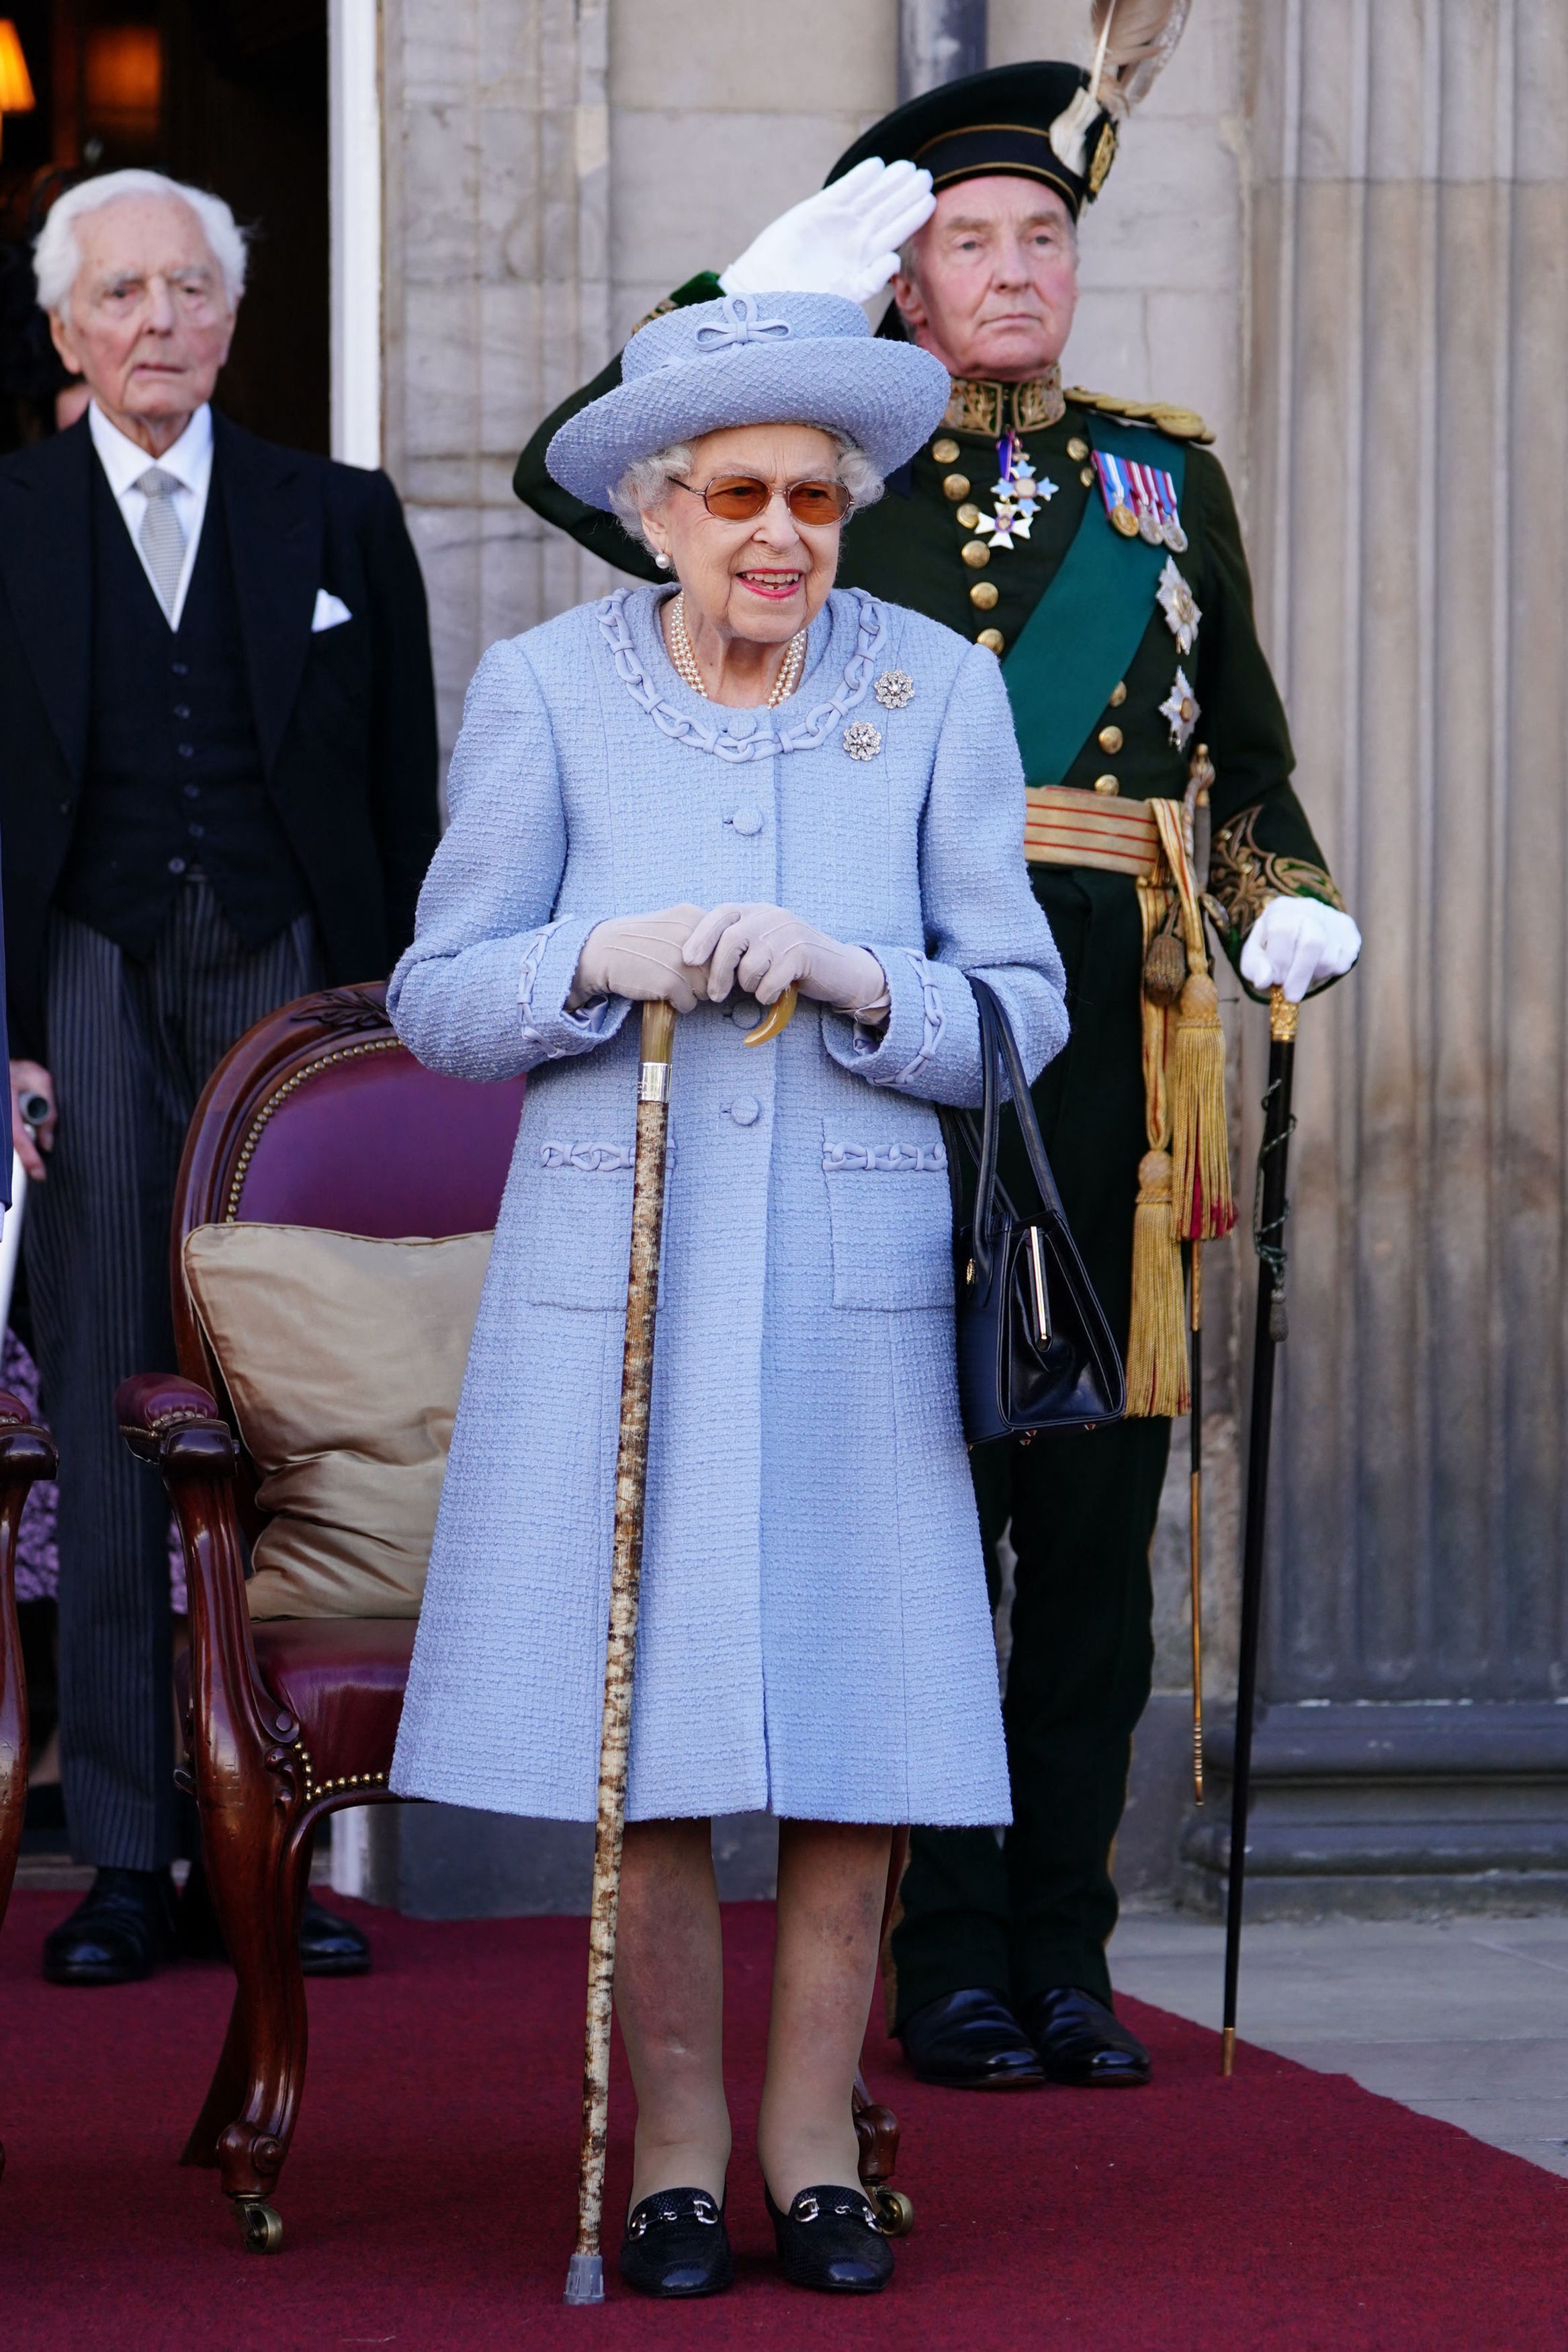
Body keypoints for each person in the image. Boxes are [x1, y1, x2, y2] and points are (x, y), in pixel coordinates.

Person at [513, 51, 1362, 2095]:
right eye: (966, 241)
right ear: (903, 281)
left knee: (1087, 1522)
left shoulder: (1168, 480)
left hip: (1120, 1063)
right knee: (926, 1513)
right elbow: (571, 469)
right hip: (894, 1033)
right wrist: (760, 280)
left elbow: (1243, 760)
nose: (1010, 273)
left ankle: (1065, 1945)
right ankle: (939, 1953)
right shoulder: (831, 458)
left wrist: (1284, 900)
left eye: (1040, 239)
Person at [387, 288, 1067, 2298]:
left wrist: (868, 984)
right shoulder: (546, 687)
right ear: (660, 511)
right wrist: (601, 951)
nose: (782, 534)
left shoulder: (937, 687)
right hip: (628, 1273)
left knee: (865, 1725)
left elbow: (1016, 1009)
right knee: (651, 1729)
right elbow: (435, 995)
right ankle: (676, 2148)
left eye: (816, 498)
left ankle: (813, 2144)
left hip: (856, 1277)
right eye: (739, 495)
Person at [0, 169, 441, 1985]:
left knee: (278, 1411)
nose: (161, 318)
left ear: (234, 319)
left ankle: (274, 1836)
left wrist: (400, 1030)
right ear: (65, 331)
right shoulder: (9, 518)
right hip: (84, 985)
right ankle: (121, 1848)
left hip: (293, 978)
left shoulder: (336, 517)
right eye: (124, 293)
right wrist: (5, 1032)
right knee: (117, 1408)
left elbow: (407, 787)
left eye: (191, 288)